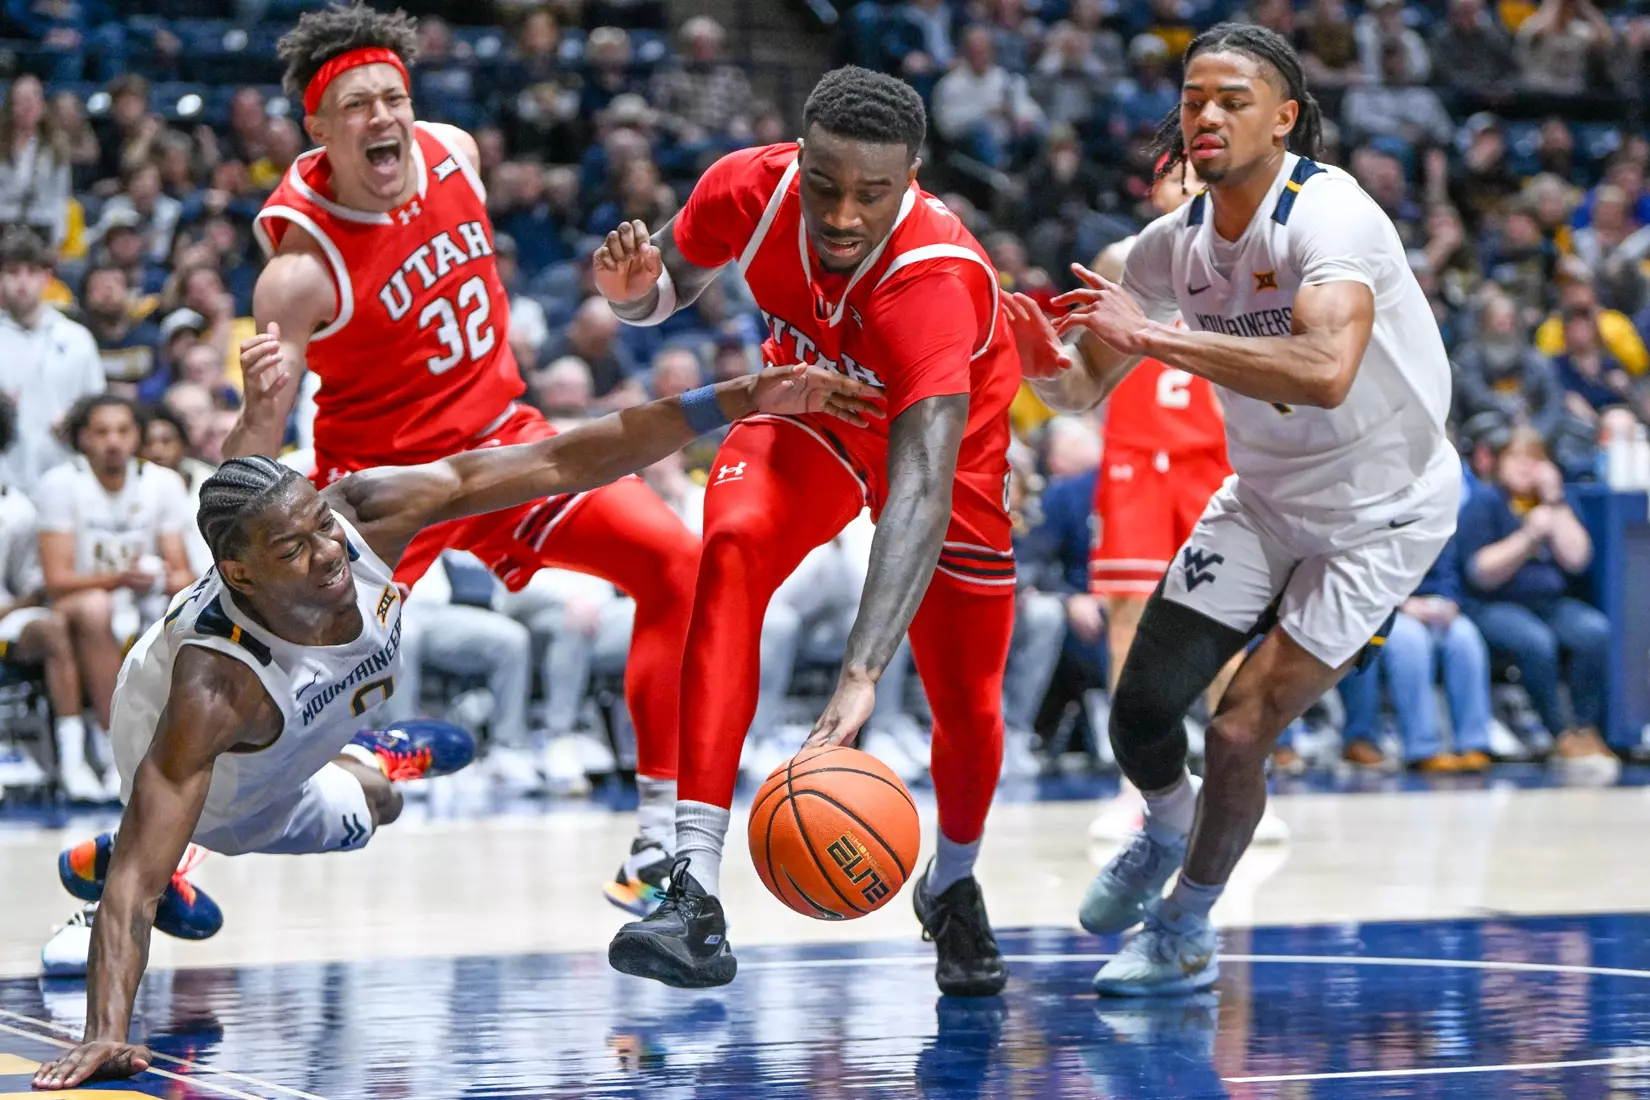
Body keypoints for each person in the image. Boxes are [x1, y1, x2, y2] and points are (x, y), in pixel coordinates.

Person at [29, 359, 876, 1090]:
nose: (328, 553)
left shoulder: (363, 514)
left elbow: (562, 458)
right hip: (226, 794)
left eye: (321, 523)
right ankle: (321, 778)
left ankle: (371, 757)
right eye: (295, 549)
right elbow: (133, 888)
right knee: (186, 844)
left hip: (302, 729)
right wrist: (104, 1032)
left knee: (382, 808)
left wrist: (733, 398)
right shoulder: (211, 690)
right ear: (240, 574)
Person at [1007, 22, 1458, 995]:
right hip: (1263, 498)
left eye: (1232, 99)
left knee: (1241, 729)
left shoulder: (1332, 216)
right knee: (1140, 710)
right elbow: (1084, 386)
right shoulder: (1164, 249)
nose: (1206, 115)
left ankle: (1186, 925)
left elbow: (1326, 371)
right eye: (1192, 98)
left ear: (1285, 118)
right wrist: (1040, 363)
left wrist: (1158, 340)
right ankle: (1165, 823)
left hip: (1382, 515)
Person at [225, 2, 702, 911]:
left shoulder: (456, 151)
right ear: (317, 129)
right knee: (270, 686)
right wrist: (255, 411)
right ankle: (163, 865)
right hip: (387, 491)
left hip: (508, 449)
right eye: (357, 104)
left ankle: (655, 841)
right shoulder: (298, 268)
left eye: (393, 96)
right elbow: (246, 464)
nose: (383, 117)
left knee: (676, 562)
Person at [597, 65, 1021, 997]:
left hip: (945, 461)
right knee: (731, 546)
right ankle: (693, 891)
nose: (841, 215)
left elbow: (919, 486)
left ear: (910, 179)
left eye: (873, 194)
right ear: (800, 158)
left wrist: (863, 672)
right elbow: (660, 287)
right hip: (814, 414)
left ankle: (952, 883)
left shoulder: (933, 280)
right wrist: (631, 294)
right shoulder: (748, 186)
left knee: (968, 703)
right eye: (826, 186)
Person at [1081, 158, 1288, 842]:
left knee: (1223, 624)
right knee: (1127, 622)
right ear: (1159, 190)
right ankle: (1133, 788)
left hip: (1210, 456)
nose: (1197, 191)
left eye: (1207, 179)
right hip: (1138, 459)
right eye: (1184, 181)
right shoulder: (1129, 254)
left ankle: (1235, 783)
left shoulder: (1258, 254)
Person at [36, 395, 195, 800]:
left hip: (141, 600)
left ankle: (186, 750)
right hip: (80, 604)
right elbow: (56, 580)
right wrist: (119, 579)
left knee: (184, 605)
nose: (114, 442)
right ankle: (110, 751)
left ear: (137, 436)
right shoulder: (61, 484)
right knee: (94, 607)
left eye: (123, 431)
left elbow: (181, 570)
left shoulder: (163, 482)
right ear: (83, 439)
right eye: (102, 432)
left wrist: (156, 575)